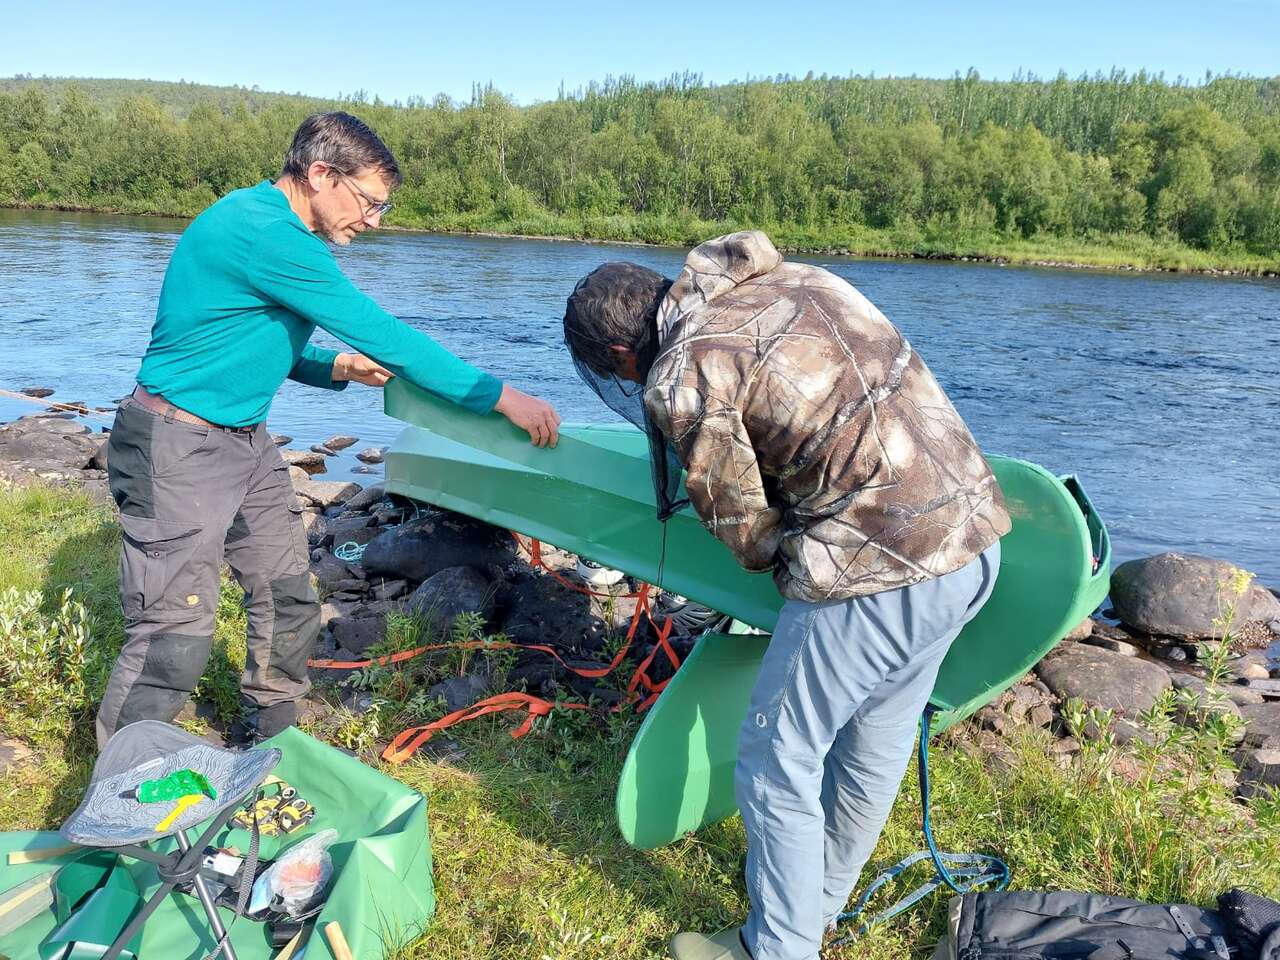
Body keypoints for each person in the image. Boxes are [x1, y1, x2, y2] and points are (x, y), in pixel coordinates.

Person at [562, 231, 1010, 960]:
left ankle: (776, 948)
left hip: (877, 571)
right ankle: (817, 909)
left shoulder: (685, 371)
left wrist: (777, 554)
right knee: (875, 742)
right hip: (974, 539)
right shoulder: (799, 279)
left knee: (776, 762)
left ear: (618, 355)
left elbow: (746, 532)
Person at [96, 111, 560, 749]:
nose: (373, 221)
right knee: (172, 634)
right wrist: (501, 397)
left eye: (382, 208)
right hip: (178, 445)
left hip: (244, 442)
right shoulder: (268, 234)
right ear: (320, 174)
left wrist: (332, 367)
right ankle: (121, 797)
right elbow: (385, 334)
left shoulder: (270, 227)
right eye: (370, 202)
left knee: (289, 598)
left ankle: (270, 742)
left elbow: (233, 339)